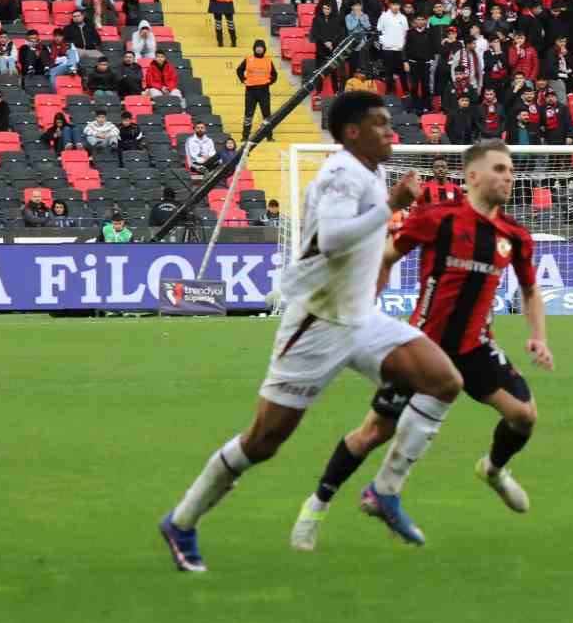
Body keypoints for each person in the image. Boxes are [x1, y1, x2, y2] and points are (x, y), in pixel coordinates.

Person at [158, 92, 463, 572]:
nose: (391, 131)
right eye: (380, 124)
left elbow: (361, 245)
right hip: (317, 321)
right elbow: (334, 240)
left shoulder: (372, 172)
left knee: (442, 380)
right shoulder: (342, 173)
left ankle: (385, 490)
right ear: (352, 132)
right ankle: (182, 520)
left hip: (359, 317)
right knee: (264, 441)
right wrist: (392, 206)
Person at [288, 139, 553, 550]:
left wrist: (538, 337)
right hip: (423, 348)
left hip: (475, 348)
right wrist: (364, 306)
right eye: (500, 169)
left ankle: (493, 470)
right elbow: (385, 256)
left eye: (511, 171)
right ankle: (315, 507)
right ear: (473, 176)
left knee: (524, 416)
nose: (509, 177)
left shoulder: (513, 234)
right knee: (373, 432)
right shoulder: (437, 218)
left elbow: (531, 290)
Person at [237, 39, 279, 142]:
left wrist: (270, 82)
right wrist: (243, 80)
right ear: (254, 48)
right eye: (257, 47)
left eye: (261, 47)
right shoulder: (248, 59)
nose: (259, 49)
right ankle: (245, 136)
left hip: (264, 91)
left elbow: (274, 74)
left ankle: (269, 136)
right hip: (250, 91)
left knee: (267, 114)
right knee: (248, 114)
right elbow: (239, 70)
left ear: (264, 49)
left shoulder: (268, 60)